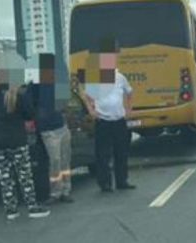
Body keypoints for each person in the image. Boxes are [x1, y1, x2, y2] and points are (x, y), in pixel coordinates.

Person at [0, 82, 50, 220]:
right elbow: (30, 114)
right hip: (16, 140)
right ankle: (32, 206)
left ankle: (11, 209)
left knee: (5, 176)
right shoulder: (18, 97)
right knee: (24, 175)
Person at [84, 47, 135, 193]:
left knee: (122, 152)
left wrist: (129, 110)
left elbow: (130, 93)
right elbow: (87, 97)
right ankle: (105, 183)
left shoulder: (120, 78)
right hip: (103, 121)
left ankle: (122, 181)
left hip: (119, 120)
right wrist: (91, 111)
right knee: (103, 154)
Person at [30, 54, 74, 204]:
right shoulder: (36, 84)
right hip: (47, 128)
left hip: (61, 125)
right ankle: (56, 192)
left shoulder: (59, 82)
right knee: (55, 160)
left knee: (65, 161)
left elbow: (65, 103)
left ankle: (66, 190)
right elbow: (30, 103)